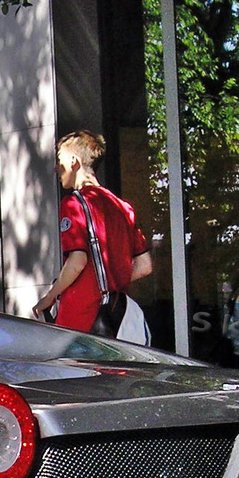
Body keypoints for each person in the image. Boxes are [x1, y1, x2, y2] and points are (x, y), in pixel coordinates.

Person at [33, 130, 153, 342]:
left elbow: (77, 261)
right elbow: (144, 266)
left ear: (74, 161)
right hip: (115, 318)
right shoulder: (123, 207)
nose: (56, 169)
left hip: (80, 318)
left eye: (59, 161)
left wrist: (50, 297)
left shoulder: (74, 203)